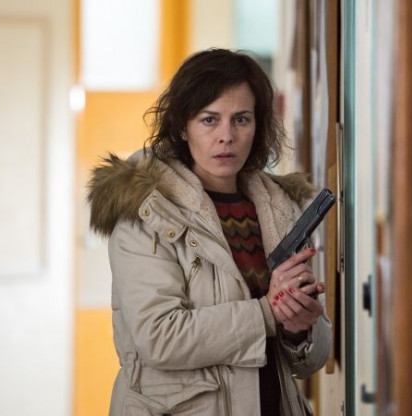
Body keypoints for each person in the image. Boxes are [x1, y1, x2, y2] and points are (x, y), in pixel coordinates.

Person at [87, 48, 331, 416]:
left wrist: (299, 329)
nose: (226, 136)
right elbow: (160, 337)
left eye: (241, 119)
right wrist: (267, 313)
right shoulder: (148, 210)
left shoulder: (279, 209)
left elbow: (309, 361)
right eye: (209, 120)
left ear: (258, 126)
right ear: (182, 127)